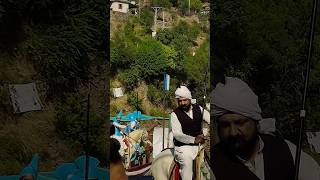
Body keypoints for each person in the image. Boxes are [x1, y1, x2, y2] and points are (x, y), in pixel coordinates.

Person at [211, 76, 320, 180]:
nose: (233, 132)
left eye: (239, 123)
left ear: (255, 121)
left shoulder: (285, 150)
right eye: (225, 125)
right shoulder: (213, 165)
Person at [170, 85, 210, 180]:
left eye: (185, 100)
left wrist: (208, 132)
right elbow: (177, 135)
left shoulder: (199, 109)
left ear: (189, 99)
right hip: (183, 148)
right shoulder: (174, 114)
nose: (182, 103)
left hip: (200, 146)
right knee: (187, 163)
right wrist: (194, 140)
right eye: (180, 101)